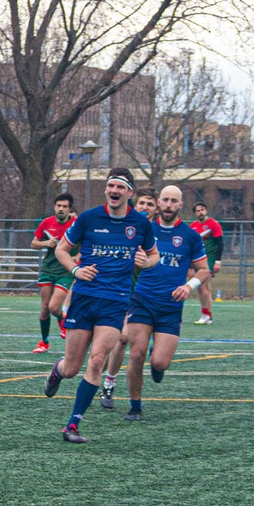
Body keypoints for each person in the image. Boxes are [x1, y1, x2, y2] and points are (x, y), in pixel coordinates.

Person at [41, 170, 159, 443]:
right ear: (106, 190)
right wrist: (75, 270)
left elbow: (154, 256)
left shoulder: (140, 224)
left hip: (115, 301)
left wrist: (146, 261)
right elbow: (61, 249)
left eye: (120, 186)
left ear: (129, 193)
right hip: (84, 297)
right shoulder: (88, 218)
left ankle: (72, 425)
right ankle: (56, 370)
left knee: (96, 360)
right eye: (110, 186)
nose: (113, 190)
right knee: (72, 368)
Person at [114, 184, 210, 419]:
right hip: (142, 300)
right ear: (158, 203)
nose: (168, 205)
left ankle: (157, 364)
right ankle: (135, 406)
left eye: (173, 201)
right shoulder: (143, 230)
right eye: (164, 200)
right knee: (136, 354)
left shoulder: (190, 236)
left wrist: (189, 286)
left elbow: (203, 270)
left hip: (170, 306)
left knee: (160, 362)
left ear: (180, 205)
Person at [30, 193, 77, 354]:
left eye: (65, 206)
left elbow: (86, 244)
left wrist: (78, 257)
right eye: (59, 206)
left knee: (54, 307)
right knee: (44, 308)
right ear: (54, 207)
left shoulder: (76, 224)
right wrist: (46, 243)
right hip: (48, 269)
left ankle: (61, 319)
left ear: (69, 209)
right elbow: (34, 243)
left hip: (65, 270)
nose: (61, 209)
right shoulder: (46, 223)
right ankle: (44, 342)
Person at [189, 202, 223, 324]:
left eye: (202, 210)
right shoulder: (193, 226)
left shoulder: (213, 224)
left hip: (210, 258)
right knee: (206, 287)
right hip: (199, 258)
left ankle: (205, 314)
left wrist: (218, 261)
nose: (200, 212)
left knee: (201, 285)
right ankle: (208, 315)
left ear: (206, 210)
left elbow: (220, 243)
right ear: (195, 213)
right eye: (198, 211)